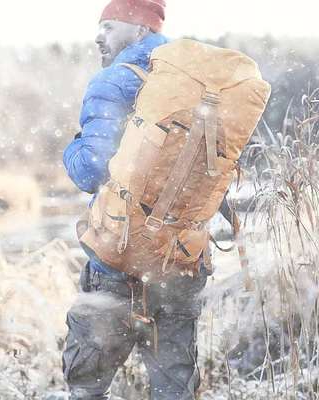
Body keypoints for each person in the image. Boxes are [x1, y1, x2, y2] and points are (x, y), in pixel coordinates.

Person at [62, 1, 208, 399]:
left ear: (140, 31)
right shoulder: (196, 81)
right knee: (174, 389)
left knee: (86, 385)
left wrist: (70, 150)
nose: (98, 36)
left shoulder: (114, 81)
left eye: (109, 26)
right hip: (180, 263)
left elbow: (91, 170)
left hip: (118, 261)